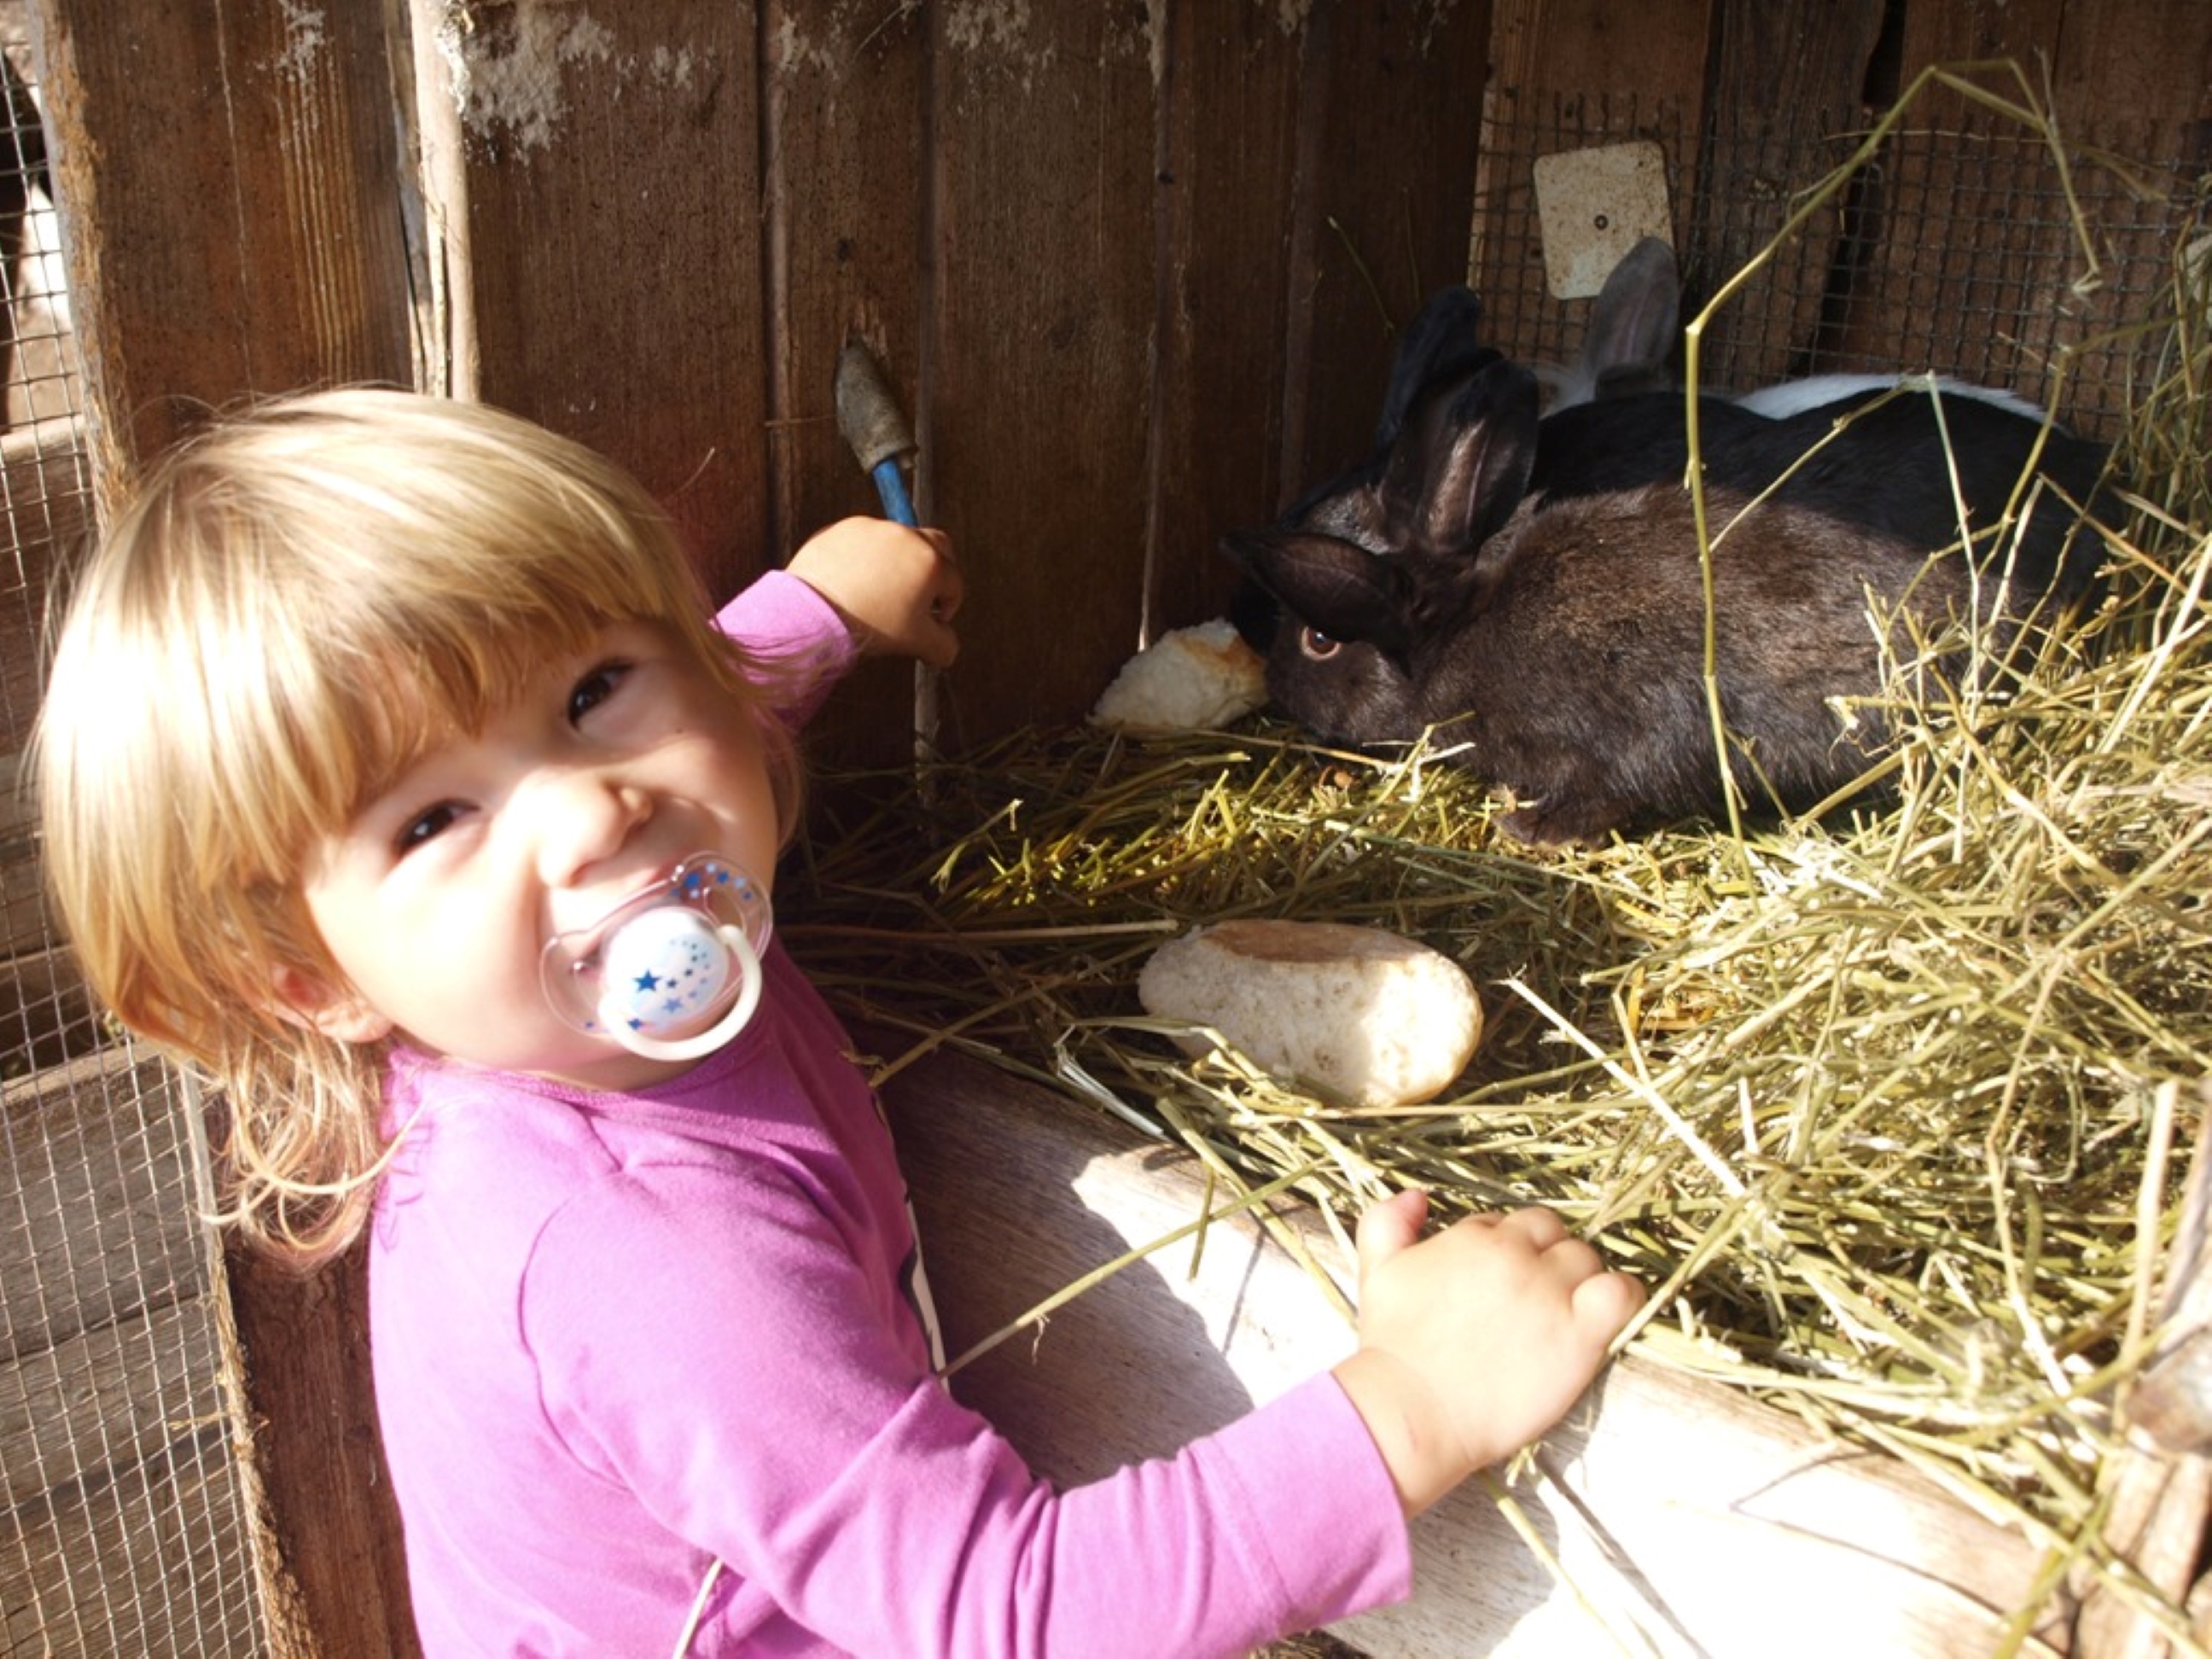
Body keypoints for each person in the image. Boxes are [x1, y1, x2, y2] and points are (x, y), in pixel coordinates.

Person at [37, 387, 1645, 1656]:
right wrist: (1416, 1403)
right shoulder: (644, 1259)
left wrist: (817, 608)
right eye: (429, 823)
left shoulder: (558, 963)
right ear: (299, 976)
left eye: (593, 689)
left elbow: (701, 701)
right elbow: (1015, 1614)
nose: (593, 816)